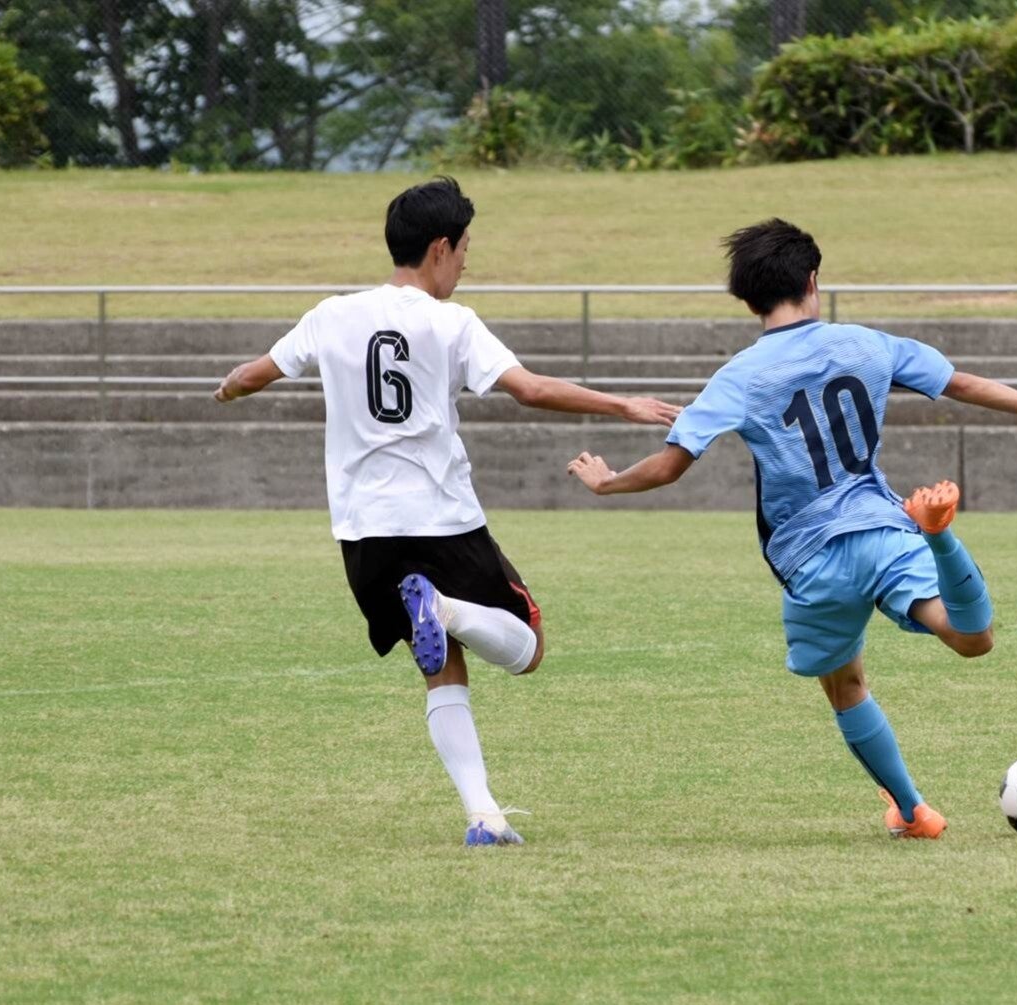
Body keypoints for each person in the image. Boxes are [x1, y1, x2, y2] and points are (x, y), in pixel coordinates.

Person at [565, 218, 1017, 839]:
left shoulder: (739, 376)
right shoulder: (868, 344)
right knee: (969, 638)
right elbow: (963, 384)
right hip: (883, 530)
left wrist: (608, 482)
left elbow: (667, 468)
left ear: (747, 300)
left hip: (810, 561)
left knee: (846, 684)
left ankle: (913, 812)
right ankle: (938, 534)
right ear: (813, 279)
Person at [213, 176, 681, 846]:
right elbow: (532, 389)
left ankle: (484, 816)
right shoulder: (451, 322)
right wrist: (623, 405)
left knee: (440, 667)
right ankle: (447, 609)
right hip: (441, 518)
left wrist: (229, 388)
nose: (466, 262)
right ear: (439, 248)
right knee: (528, 648)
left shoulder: (331, 315)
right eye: (464, 249)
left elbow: (258, 371)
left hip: (364, 531)